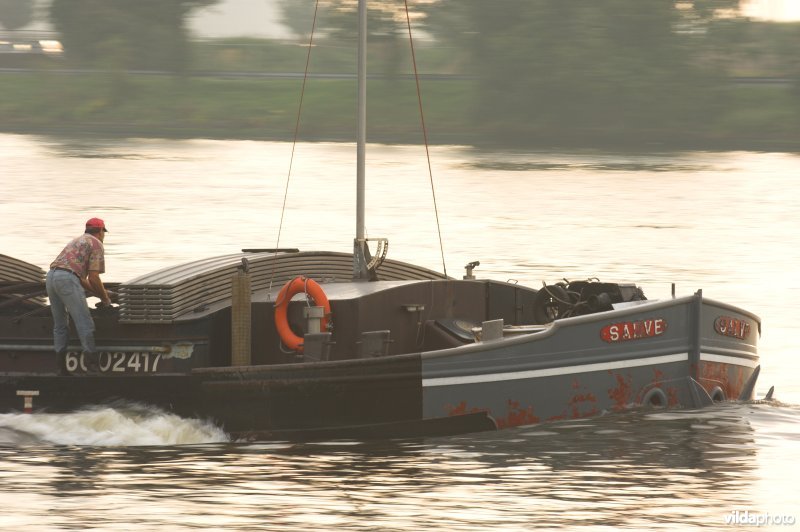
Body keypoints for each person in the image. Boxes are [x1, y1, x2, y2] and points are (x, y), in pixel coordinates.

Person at [46, 217, 112, 375]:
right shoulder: (96, 243)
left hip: (51, 277)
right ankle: (92, 367)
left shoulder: (76, 241)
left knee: (60, 324)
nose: (103, 235)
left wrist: (100, 293)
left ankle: (60, 369)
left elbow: (80, 279)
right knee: (85, 323)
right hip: (67, 279)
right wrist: (105, 299)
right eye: (103, 232)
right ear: (100, 231)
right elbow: (93, 277)